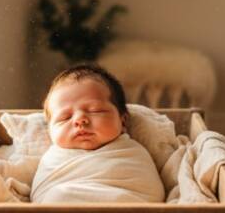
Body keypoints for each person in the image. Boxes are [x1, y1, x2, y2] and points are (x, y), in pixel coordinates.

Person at [31, 64, 165, 203]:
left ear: (123, 121)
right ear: (50, 130)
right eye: (65, 117)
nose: (79, 120)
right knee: (57, 196)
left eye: (95, 111)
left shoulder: (132, 152)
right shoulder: (52, 159)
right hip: (63, 212)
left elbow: (150, 193)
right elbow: (40, 195)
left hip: (127, 207)